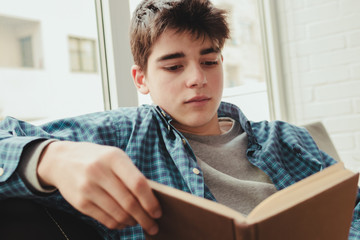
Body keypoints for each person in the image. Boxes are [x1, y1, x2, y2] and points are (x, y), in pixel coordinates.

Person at [0, 0, 359, 239]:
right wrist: (49, 158)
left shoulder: (287, 139)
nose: (197, 78)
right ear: (141, 79)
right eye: (173, 66)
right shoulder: (123, 134)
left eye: (209, 61)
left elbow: (352, 207)